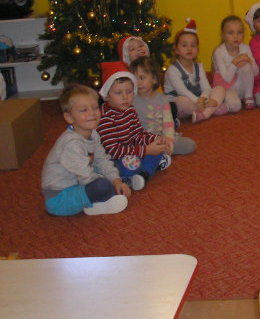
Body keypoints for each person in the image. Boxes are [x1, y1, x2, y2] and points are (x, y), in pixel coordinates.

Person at [40, 84, 132, 216]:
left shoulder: (93, 133)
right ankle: (97, 202)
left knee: (114, 165)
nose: (92, 113)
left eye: (95, 107)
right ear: (69, 117)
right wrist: (112, 185)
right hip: (60, 198)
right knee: (102, 186)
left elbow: (102, 160)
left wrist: (116, 180)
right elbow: (87, 177)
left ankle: (98, 201)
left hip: (78, 183)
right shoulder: (71, 143)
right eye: (83, 110)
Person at [95, 61, 171, 186]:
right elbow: (113, 150)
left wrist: (156, 138)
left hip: (132, 152)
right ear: (106, 96)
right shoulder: (105, 117)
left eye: (129, 91)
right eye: (118, 93)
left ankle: (144, 174)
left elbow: (138, 134)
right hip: (114, 158)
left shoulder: (130, 110)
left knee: (157, 149)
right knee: (132, 166)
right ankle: (138, 173)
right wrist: (145, 150)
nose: (125, 97)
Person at [164, 19, 229, 123]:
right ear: (176, 50)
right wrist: (200, 101)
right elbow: (182, 92)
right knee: (183, 101)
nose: (189, 49)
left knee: (220, 89)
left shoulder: (198, 66)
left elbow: (206, 87)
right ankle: (211, 109)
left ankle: (203, 114)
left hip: (199, 100)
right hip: (181, 102)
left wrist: (203, 98)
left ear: (197, 49)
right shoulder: (172, 70)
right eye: (184, 45)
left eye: (193, 45)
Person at [130, 56, 196, 155]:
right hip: (144, 142)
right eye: (134, 79)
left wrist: (169, 142)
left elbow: (168, 124)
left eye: (142, 78)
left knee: (190, 145)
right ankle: (155, 153)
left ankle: (162, 152)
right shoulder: (131, 101)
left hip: (163, 138)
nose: (138, 83)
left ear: (154, 79)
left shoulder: (162, 100)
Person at [212, 15, 258, 112]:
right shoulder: (219, 52)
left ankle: (248, 96)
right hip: (227, 87)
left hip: (242, 86)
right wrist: (235, 61)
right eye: (231, 33)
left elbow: (256, 72)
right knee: (236, 106)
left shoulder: (245, 48)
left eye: (239, 32)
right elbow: (227, 78)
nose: (236, 36)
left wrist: (250, 61)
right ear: (223, 35)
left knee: (246, 65)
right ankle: (224, 104)